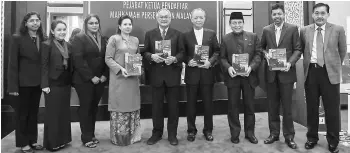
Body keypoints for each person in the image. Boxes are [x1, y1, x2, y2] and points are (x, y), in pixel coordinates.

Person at [300, 3, 346, 153]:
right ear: (313, 15)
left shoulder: (338, 29)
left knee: (332, 109)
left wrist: (332, 65)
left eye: (323, 13)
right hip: (311, 73)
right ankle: (312, 138)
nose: (319, 16)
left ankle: (333, 141)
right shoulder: (304, 30)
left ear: (327, 15)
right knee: (312, 108)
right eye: (317, 13)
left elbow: (342, 51)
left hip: (329, 73)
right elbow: (302, 49)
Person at [260, 4, 302, 149]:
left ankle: (289, 137)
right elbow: (260, 47)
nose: (277, 17)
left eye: (279, 14)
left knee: (287, 107)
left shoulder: (292, 28)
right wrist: (266, 55)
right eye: (274, 14)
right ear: (271, 16)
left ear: (284, 14)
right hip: (271, 75)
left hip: (287, 74)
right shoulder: (266, 30)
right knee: (272, 106)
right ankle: (274, 133)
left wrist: (290, 63)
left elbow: (298, 49)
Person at [141, 8, 185, 146]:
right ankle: (157, 133)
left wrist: (175, 59)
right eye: (161, 17)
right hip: (156, 76)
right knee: (156, 108)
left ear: (170, 18)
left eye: (166, 17)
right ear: (157, 18)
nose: (164, 19)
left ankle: (172, 135)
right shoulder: (150, 34)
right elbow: (145, 52)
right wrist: (151, 56)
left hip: (173, 75)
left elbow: (183, 52)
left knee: (173, 107)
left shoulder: (178, 34)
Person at [220, 12, 262, 145]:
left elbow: (258, 54)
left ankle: (250, 133)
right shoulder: (225, 38)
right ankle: (235, 134)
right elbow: (222, 57)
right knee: (233, 107)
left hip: (249, 77)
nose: (237, 25)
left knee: (249, 106)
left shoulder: (253, 36)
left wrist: (251, 67)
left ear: (243, 23)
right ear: (230, 24)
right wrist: (228, 68)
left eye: (239, 22)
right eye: (234, 23)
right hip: (233, 78)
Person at [7, 11, 45, 153]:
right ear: (26, 23)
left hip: (38, 83)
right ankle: (23, 143)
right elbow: (12, 64)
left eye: (37, 20)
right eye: (32, 21)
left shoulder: (43, 38)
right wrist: (13, 87)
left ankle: (33, 140)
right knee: (22, 114)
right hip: (22, 84)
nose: (35, 23)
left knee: (34, 113)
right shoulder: (18, 38)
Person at [71, 14, 109, 148]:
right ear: (85, 25)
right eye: (91, 23)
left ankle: (91, 134)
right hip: (84, 80)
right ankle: (86, 138)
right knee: (86, 108)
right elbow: (78, 60)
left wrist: (105, 75)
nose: (94, 25)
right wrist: (90, 77)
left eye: (96, 23)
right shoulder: (79, 38)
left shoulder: (103, 39)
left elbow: (107, 58)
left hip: (100, 80)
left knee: (93, 108)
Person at [183, 8, 220, 142]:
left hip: (207, 74)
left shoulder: (211, 33)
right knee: (191, 105)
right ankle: (191, 130)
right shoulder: (185, 35)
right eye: (196, 18)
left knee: (208, 104)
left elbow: (217, 51)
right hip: (192, 74)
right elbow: (182, 53)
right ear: (191, 19)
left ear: (204, 19)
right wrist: (188, 60)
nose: (198, 20)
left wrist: (210, 62)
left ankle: (208, 130)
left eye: (201, 18)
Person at [105, 15, 142, 146]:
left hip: (132, 80)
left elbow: (137, 57)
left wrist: (138, 67)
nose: (127, 27)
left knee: (132, 105)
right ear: (119, 26)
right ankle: (120, 138)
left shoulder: (135, 40)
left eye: (129, 24)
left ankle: (133, 137)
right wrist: (121, 69)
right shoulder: (114, 39)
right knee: (120, 106)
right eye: (125, 24)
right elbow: (108, 59)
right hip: (119, 79)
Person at [41, 20, 72, 151]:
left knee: (64, 113)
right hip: (52, 84)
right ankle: (52, 143)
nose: (62, 32)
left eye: (64, 29)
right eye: (59, 30)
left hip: (65, 83)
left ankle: (63, 140)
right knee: (53, 114)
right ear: (52, 31)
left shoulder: (68, 45)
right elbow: (43, 66)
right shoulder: (46, 45)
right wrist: (44, 84)